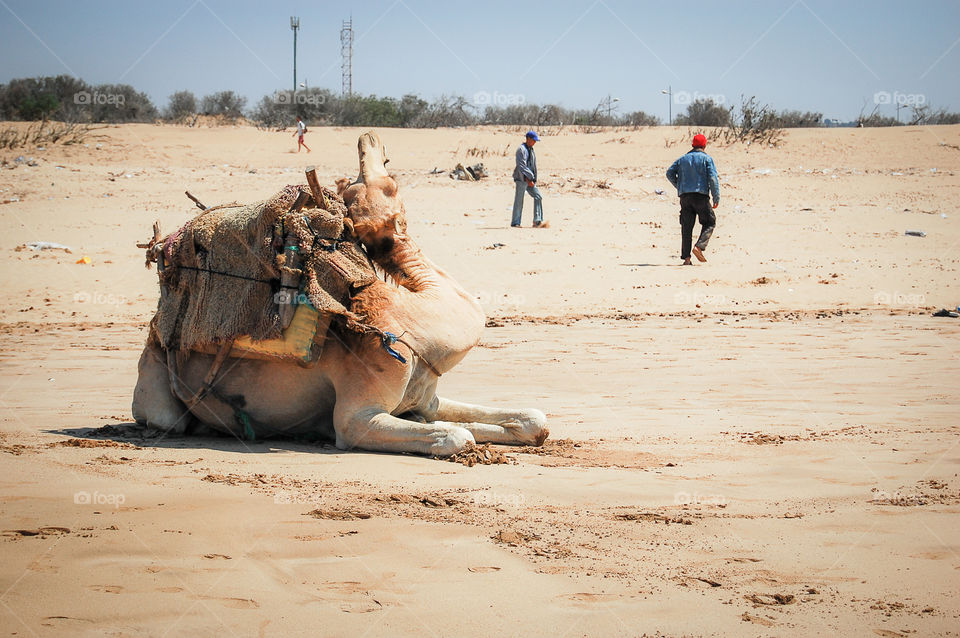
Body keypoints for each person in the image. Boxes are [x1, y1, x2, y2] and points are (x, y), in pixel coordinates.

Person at [666, 133, 719, 265]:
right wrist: (716, 196)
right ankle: (699, 246)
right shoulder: (707, 159)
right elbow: (713, 179)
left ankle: (687, 258)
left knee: (686, 227)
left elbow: (669, 173)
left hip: (685, 197)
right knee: (710, 222)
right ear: (705, 145)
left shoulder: (682, 159)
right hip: (701, 196)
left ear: (692, 145)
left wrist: (679, 186)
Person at [511, 131, 544, 228]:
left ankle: (537, 221)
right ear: (528, 139)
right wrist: (528, 178)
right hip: (521, 179)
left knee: (538, 196)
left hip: (530, 179)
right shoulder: (521, 150)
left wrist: (533, 179)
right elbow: (521, 166)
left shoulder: (531, 150)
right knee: (519, 201)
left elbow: (533, 165)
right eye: (533, 140)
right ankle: (516, 222)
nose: (534, 142)